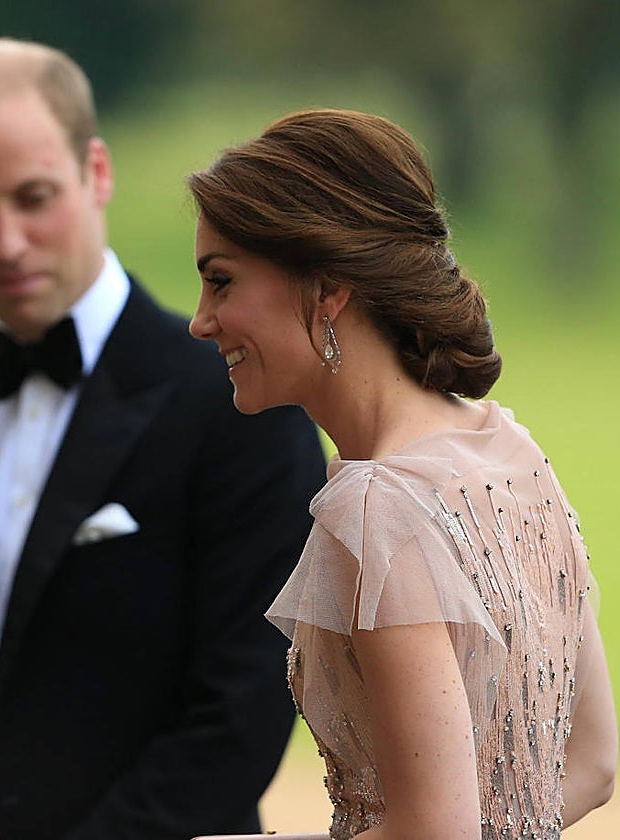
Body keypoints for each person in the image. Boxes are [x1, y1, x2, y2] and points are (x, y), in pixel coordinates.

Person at [0, 37, 326, 840]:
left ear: (97, 172)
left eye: (33, 197)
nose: (6, 241)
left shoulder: (241, 405)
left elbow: (242, 711)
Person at [185, 108, 617, 839]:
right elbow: (593, 765)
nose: (201, 320)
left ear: (327, 288)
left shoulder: (377, 505)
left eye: (221, 282)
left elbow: (437, 832)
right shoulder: (509, 450)